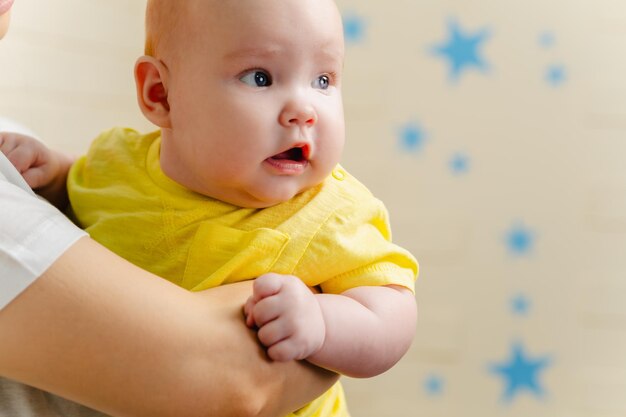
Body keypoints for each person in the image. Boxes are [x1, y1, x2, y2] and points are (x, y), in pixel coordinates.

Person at [4, 0, 419, 416]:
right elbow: (82, 187)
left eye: (323, 79)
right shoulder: (117, 164)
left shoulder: (332, 212)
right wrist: (52, 170)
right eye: (260, 77)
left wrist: (323, 322)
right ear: (160, 94)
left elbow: (392, 317)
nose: (303, 111)